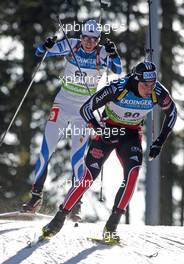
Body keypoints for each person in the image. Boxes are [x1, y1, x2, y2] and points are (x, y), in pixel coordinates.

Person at [40, 60, 177, 243]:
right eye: (145, 84)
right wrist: (99, 129)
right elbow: (86, 108)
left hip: (130, 134)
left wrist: (159, 142)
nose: (149, 89)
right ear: (136, 80)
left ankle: (111, 227)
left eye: (152, 84)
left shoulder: (158, 92)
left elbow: (173, 113)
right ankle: (58, 219)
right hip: (108, 131)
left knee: (133, 173)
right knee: (88, 177)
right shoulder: (118, 88)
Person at [22, 19, 122, 220]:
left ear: (98, 39)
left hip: (84, 111)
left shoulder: (102, 52)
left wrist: (114, 53)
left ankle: (75, 202)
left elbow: (118, 69)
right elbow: (40, 53)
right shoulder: (71, 43)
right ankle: (35, 197)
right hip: (63, 104)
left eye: (94, 39)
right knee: (46, 149)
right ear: (81, 35)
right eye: (86, 37)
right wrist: (46, 45)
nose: (89, 43)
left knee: (77, 157)